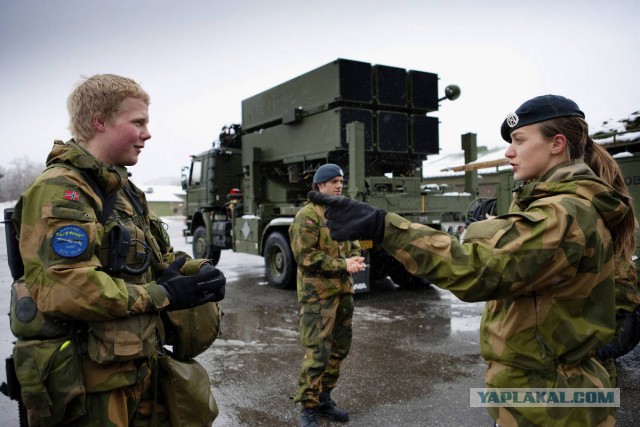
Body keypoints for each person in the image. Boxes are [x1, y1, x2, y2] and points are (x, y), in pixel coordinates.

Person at [308, 95, 637, 427]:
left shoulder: (565, 212)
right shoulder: (567, 206)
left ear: (557, 144)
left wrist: (385, 227)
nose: (509, 152)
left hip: (548, 402)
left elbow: (477, 269)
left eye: (519, 141)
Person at [10, 74, 226, 426]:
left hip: (133, 367)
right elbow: (67, 288)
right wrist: (165, 294)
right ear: (99, 121)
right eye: (138, 122)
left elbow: (146, 261)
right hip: (90, 381)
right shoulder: (61, 191)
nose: (148, 133)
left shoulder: (123, 189)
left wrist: (192, 273)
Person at [289, 163, 366, 427]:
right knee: (318, 351)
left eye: (341, 180)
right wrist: (343, 265)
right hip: (317, 297)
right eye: (333, 181)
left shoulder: (341, 211)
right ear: (320, 185)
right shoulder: (307, 216)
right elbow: (306, 257)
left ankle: (324, 398)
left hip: (343, 292)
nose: (339, 184)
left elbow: (353, 240)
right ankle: (308, 407)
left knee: (339, 349)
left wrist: (355, 257)